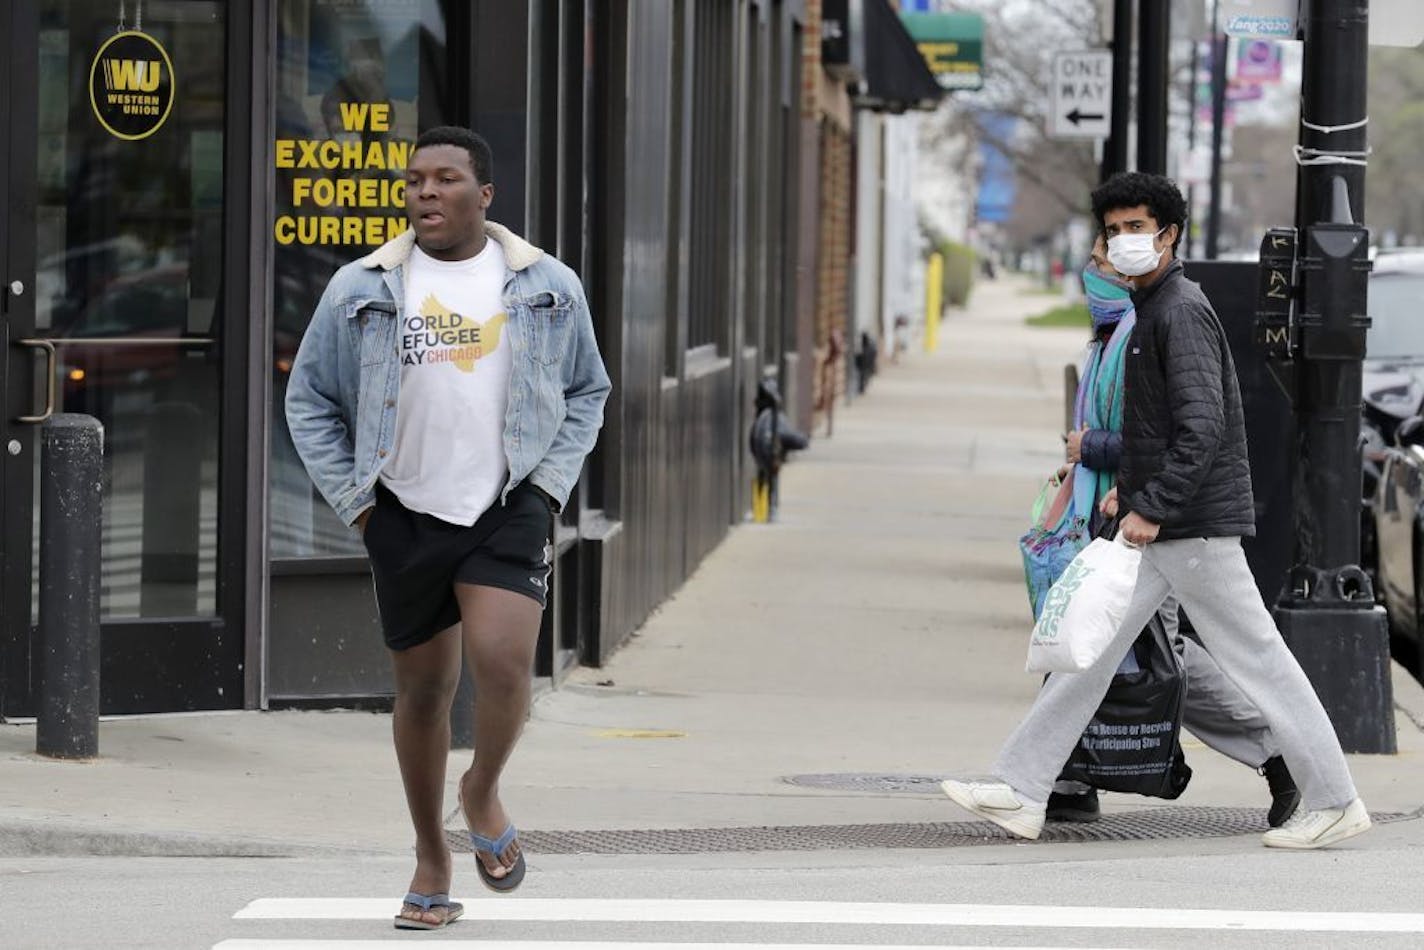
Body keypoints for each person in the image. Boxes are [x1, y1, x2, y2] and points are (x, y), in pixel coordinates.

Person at [945, 171, 1370, 850]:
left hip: (1190, 529)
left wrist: (1151, 505)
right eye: (1114, 229)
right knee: (1089, 652)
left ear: (1169, 235)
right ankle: (1022, 788)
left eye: (1137, 228)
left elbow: (1202, 429)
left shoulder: (1178, 310)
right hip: (1171, 524)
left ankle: (1335, 797)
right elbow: (1166, 427)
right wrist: (1131, 489)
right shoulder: (1154, 309)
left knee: (1261, 662)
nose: (1123, 241)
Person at [286, 126, 610, 929]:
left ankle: (482, 789)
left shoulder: (546, 285)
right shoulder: (361, 285)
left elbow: (587, 392)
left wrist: (546, 489)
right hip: (402, 511)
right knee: (424, 691)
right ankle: (431, 853)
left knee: (503, 665)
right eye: (415, 180)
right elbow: (309, 401)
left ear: (484, 194)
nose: (425, 192)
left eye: (445, 179)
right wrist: (358, 505)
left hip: (505, 506)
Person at [1040, 236, 1299, 826]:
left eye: (1101, 261)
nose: (1093, 272)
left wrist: (1113, 469)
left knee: (1152, 654)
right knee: (1092, 643)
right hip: (1114, 514)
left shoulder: (1152, 326)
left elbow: (1179, 430)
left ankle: (1284, 756)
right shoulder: (1110, 337)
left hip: (1147, 520)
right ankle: (1060, 776)